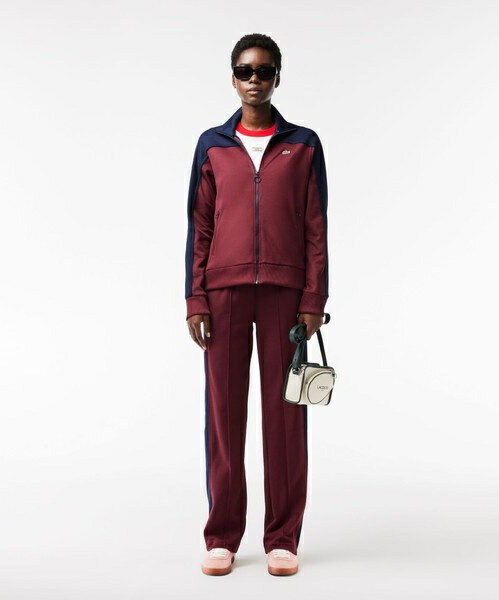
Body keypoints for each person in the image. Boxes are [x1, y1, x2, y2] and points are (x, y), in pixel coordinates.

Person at [184, 33, 329, 576]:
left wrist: (314, 297)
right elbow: (199, 225)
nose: (254, 79)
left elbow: (316, 226)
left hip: (286, 295)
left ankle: (282, 537)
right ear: (233, 77)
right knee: (224, 415)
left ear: (277, 77)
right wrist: (195, 297)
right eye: (245, 70)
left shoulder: (304, 144)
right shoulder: (212, 145)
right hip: (222, 291)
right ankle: (222, 534)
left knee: (285, 416)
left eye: (264, 71)